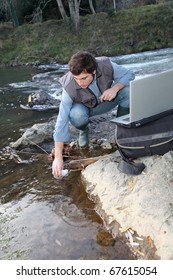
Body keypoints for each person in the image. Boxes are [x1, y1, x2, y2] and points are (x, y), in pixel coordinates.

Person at [52, 51, 135, 177]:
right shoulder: (68, 86)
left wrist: (114, 88)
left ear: (94, 71)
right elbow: (61, 119)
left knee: (128, 92)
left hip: (105, 102)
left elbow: (129, 74)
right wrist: (58, 158)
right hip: (84, 109)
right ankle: (84, 130)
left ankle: (121, 132)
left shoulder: (106, 65)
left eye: (84, 78)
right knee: (77, 115)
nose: (80, 83)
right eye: (76, 79)